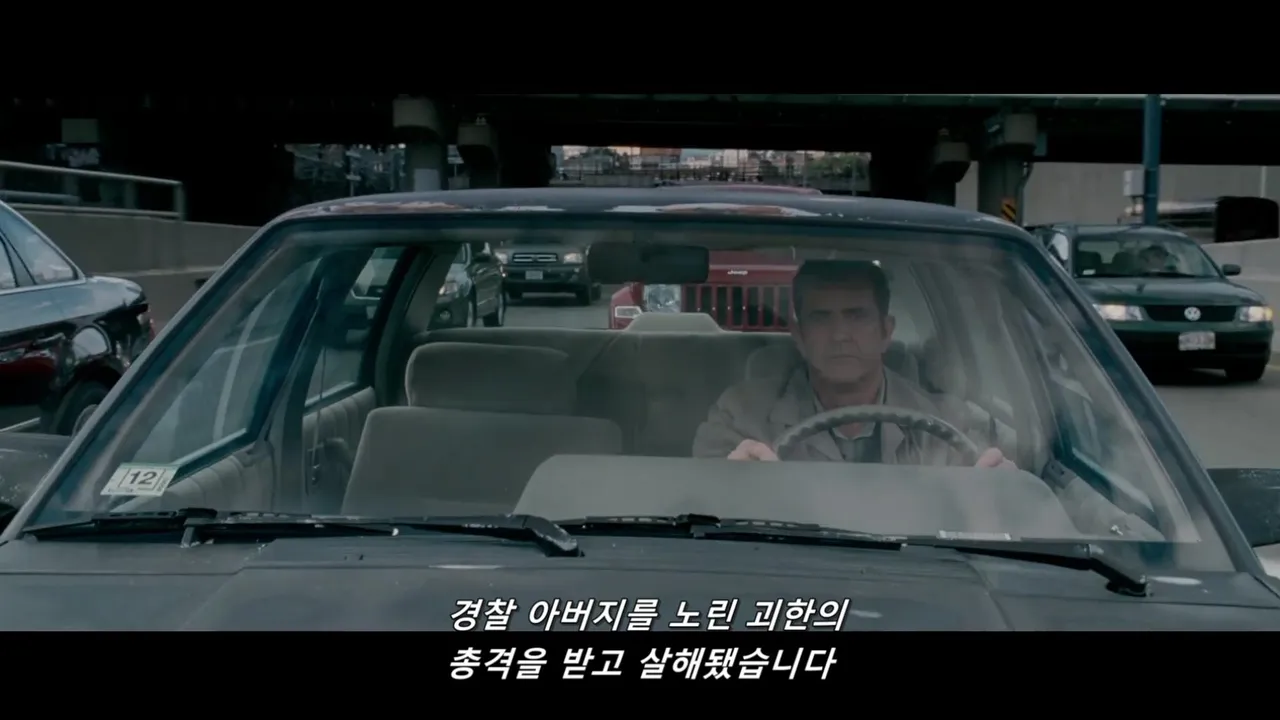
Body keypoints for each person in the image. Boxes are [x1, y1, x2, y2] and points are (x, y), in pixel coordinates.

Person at [692, 260, 1014, 469]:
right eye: (821, 318)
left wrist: (1000, 491)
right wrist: (730, 483)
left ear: (886, 332)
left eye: (856, 316)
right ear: (799, 336)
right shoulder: (741, 417)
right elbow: (700, 506)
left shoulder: (948, 425)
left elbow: (987, 506)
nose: (840, 335)